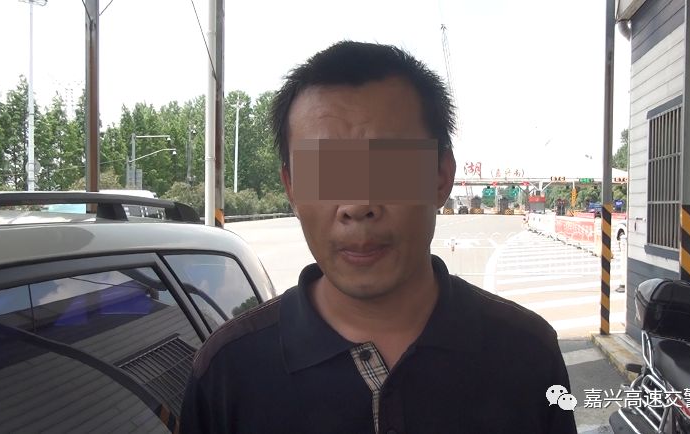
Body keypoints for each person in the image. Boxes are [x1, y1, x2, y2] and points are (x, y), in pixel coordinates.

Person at [180, 41, 577, 434]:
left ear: (441, 178)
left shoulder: (527, 354)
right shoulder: (226, 373)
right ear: (292, 187)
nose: (358, 204)